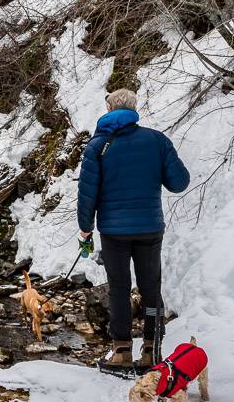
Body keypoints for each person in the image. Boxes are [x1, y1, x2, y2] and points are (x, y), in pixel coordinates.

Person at [77, 88, 190, 373]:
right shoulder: (156, 140)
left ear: (108, 109)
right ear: (134, 108)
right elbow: (179, 183)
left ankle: (122, 353)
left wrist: (85, 229)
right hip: (150, 228)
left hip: (114, 231)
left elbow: (87, 194)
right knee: (151, 288)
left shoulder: (98, 146)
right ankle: (152, 350)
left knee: (119, 289)